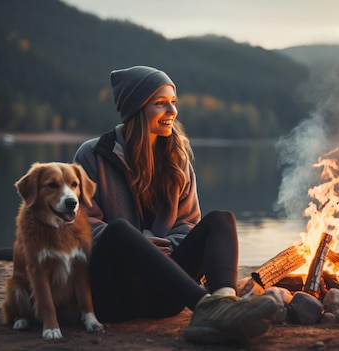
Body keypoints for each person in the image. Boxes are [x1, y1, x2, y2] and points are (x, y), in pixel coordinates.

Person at [73, 65, 277, 344]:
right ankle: (209, 309)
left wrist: (168, 246)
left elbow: (188, 224)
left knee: (221, 219)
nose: (172, 111)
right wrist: (139, 244)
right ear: (137, 109)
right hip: (112, 296)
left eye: (173, 102)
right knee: (118, 230)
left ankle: (223, 304)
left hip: (164, 296)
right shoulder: (93, 154)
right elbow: (80, 225)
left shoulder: (176, 159)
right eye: (160, 103)